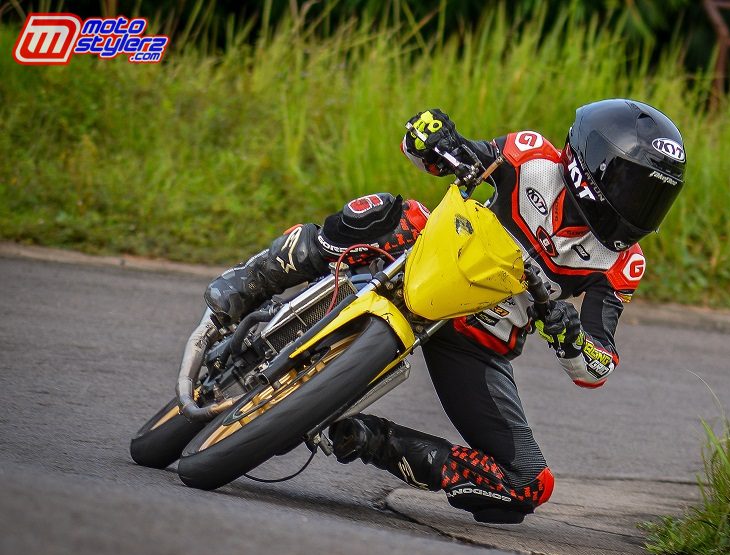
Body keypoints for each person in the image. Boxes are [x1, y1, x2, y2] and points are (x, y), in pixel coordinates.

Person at [204, 99, 686, 524]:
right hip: (431, 259)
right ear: (592, 165)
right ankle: (253, 279)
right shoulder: (532, 157)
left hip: (477, 344)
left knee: (527, 485)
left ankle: (373, 441)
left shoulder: (625, 262)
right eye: (634, 189)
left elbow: (597, 366)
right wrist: (433, 137)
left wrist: (570, 337)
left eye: (655, 199)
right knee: (389, 212)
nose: (640, 210)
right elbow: (447, 157)